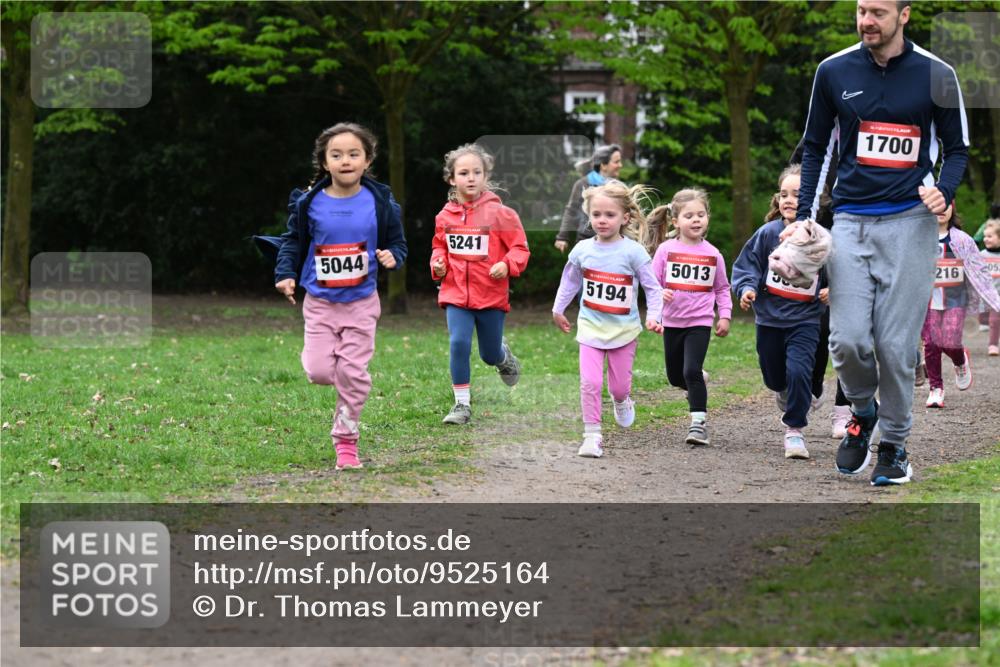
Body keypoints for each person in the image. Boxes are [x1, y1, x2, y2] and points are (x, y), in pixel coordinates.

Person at [795, 0, 969, 485]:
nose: (866, 21)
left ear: (904, 15)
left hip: (911, 222)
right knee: (847, 340)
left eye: (877, 12)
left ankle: (894, 445)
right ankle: (862, 411)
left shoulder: (938, 73)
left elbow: (956, 150)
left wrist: (944, 192)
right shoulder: (833, 70)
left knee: (895, 347)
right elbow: (815, 148)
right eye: (860, 10)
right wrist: (807, 217)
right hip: (849, 220)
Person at [274, 123, 407, 470]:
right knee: (319, 372)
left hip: (362, 303)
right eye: (337, 154)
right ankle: (348, 378)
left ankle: (346, 443)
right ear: (325, 161)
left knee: (352, 373)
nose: (345, 160)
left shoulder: (381, 202)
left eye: (353, 154)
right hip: (319, 302)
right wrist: (285, 274)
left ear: (367, 160)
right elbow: (292, 241)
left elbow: (397, 243)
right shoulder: (309, 202)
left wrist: (393, 257)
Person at [552, 180, 663, 458]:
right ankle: (592, 435)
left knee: (618, 386)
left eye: (609, 215)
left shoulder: (633, 252)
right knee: (589, 382)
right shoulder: (582, 250)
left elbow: (652, 287)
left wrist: (655, 316)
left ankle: (622, 400)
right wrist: (558, 308)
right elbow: (570, 281)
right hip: (590, 327)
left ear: (625, 218)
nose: (602, 220)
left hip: (623, 331)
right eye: (596, 215)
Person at [430, 144, 530, 425]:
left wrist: (507, 264)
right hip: (455, 294)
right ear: (452, 179)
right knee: (459, 342)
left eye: (477, 172)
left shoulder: (502, 214)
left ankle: (502, 355)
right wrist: (437, 264)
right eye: (464, 173)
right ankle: (462, 405)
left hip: (491, 296)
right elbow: (439, 248)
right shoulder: (444, 217)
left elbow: (520, 249)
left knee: (488, 353)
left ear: (486, 177)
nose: (471, 178)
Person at [733, 167, 825, 459]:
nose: (789, 200)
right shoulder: (768, 234)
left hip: (805, 318)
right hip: (770, 318)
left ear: (812, 199)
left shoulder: (820, 237)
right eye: (784, 194)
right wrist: (746, 288)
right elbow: (747, 266)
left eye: (797, 194)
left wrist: (831, 289)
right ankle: (785, 391)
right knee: (774, 378)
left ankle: (794, 430)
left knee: (800, 371)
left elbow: (839, 269)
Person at [649, 188, 732, 447]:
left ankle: (698, 425)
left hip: (700, 321)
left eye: (701, 214)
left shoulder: (713, 254)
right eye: (689, 216)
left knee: (690, 370)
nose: (696, 220)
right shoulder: (665, 250)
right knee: (676, 377)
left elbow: (721, 288)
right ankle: (700, 381)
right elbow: (652, 283)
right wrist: (659, 299)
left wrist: (725, 316)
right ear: (676, 222)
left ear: (707, 218)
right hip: (672, 322)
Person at [922, 206, 1000, 407]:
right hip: (926, 298)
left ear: (952, 209)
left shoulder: (962, 240)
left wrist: (990, 295)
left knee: (949, 342)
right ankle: (936, 388)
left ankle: (960, 360)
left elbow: (978, 269)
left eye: (945, 206)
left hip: (955, 299)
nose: (941, 210)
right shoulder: (918, 236)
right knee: (931, 343)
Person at [554, 144, 623, 252]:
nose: (620, 165)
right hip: (586, 241)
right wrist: (562, 236)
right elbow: (571, 211)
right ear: (603, 165)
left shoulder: (619, 187)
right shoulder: (583, 184)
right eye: (616, 162)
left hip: (615, 244)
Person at [981, 219, 1000, 355]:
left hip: (998, 295)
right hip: (986, 293)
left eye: (990, 236)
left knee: (995, 319)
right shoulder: (981, 255)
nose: (985, 239)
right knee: (986, 317)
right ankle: (983, 321)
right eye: (985, 236)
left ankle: (993, 345)